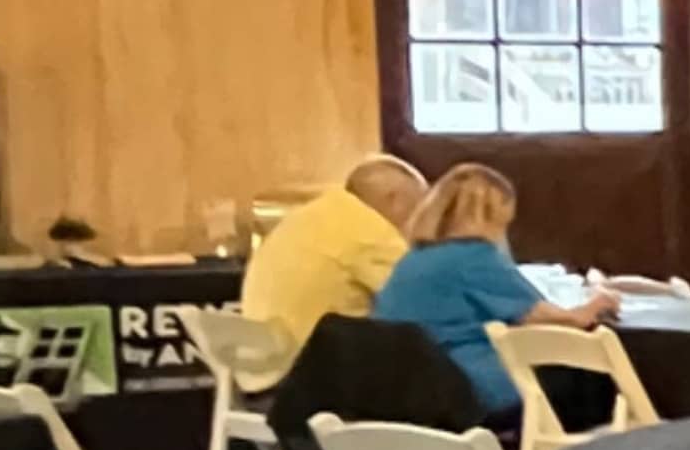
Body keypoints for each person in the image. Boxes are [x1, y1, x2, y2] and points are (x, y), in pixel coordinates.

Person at [370, 165, 619, 421]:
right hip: (470, 385)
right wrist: (597, 303)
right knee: (592, 372)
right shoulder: (474, 256)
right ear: (494, 215)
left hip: (412, 388)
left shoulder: (412, 260)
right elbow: (554, 319)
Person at [241, 154, 426, 356]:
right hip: (313, 363)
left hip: (261, 361)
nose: (422, 220)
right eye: (421, 206)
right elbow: (418, 298)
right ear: (394, 199)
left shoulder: (312, 215)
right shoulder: (369, 229)